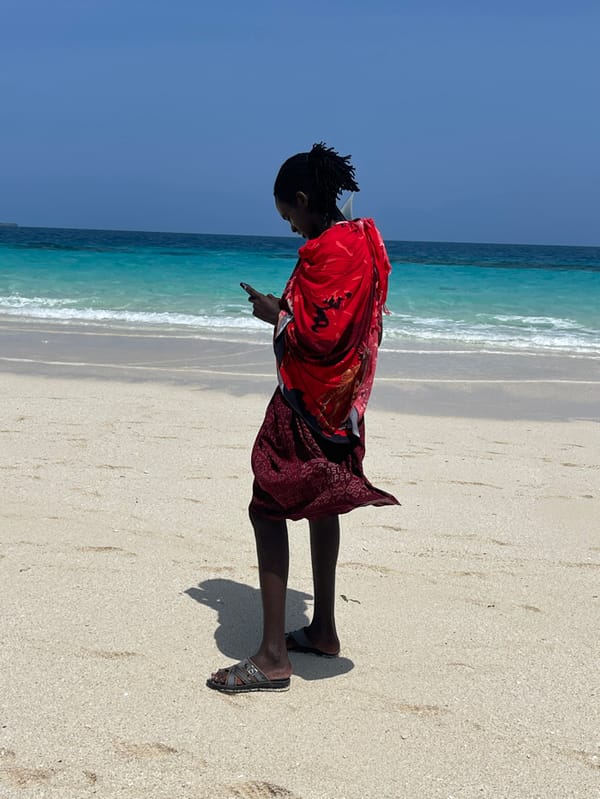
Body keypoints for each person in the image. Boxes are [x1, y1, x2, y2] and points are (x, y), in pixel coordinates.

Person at [207, 142, 399, 693]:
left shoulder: (326, 252)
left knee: (266, 508)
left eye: (288, 215)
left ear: (301, 199)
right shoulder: (364, 242)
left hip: (306, 405)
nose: (290, 228)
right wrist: (290, 309)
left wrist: (277, 314)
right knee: (322, 502)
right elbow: (343, 323)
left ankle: (271, 658)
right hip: (343, 407)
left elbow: (321, 334)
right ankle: (323, 630)